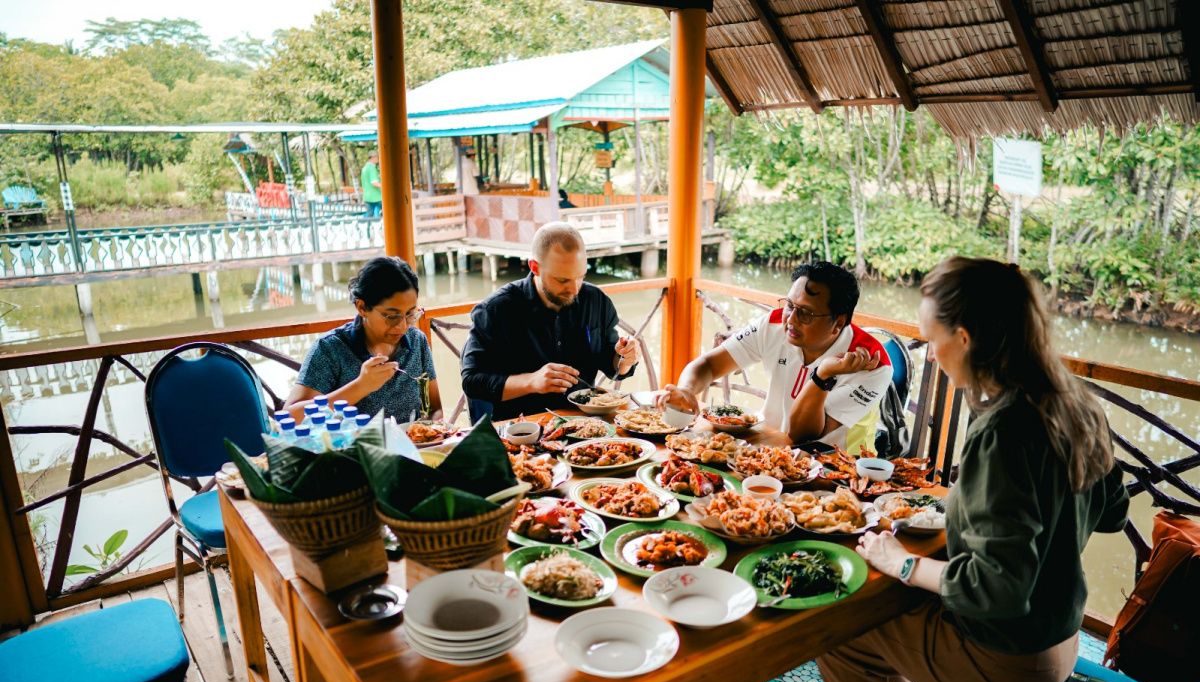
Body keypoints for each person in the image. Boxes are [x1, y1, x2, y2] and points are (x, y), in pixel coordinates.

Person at [812, 258, 1129, 682]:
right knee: (897, 604)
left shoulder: (1003, 430)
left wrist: (904, 562)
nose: (931, 354)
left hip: (1008, 662)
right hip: (1060, 636)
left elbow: (995, 591)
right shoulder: (1076, 402)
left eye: (932, 339)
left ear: (964, 338)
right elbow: (1114, 513)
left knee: (839, 629)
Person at [659, 261, 892, 454]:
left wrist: (823, 375)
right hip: (768, 447)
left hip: (832, 465)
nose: (790, 320)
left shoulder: (873, 365)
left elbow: (804, 436)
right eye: (790, 305)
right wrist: (687, 390)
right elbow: (709, 365)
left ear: (838, 322)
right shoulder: (772, 324)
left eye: (806, 313)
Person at [461, 222, 639, 420]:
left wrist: (624, 359)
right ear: (535, 267)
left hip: (585, 425)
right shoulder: (496, 310)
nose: (574, 289)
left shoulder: (596, 300)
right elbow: (472, 382)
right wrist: (532, 381)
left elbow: (613, 365)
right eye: (562, 280)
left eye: (580, 277)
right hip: (522, 429)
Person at [286, 256, 441, 421]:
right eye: (391, 316)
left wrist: (429, 434)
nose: (403, 326)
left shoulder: (417, 341)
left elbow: (434, 409)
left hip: (413, 445)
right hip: (352, 446)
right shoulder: (330, 349)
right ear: (362, 307)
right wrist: (361, 386)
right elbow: (292, 417)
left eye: (410, 314)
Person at [361, 151, 382, 218]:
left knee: (369, 215)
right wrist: (385, 187)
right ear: (373, 157)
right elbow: (374, 182)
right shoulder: (372, 168)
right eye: (377, 157)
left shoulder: (364, 168)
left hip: (367, 197)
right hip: (376, 197)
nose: (378, 159)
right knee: (378, 214)